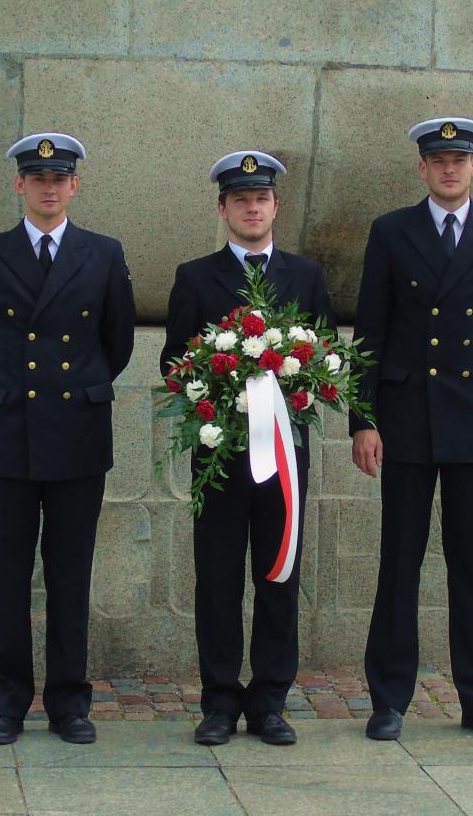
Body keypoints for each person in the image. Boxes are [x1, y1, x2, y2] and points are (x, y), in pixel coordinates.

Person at [350, 117, 473, 742]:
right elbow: (370, 334)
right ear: (422, 169)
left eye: (460, 159)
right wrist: (363, 419)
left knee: (471, 566)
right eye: (439, 160)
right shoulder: (392, 232)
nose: (450, 168)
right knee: (398, 562)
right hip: (405, 420)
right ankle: (389, 698)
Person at [0, 132, 136, 746]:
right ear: (20, 185)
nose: (49, 187)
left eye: (60, 179)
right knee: (6, 573)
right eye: (38, 178)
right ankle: (5, 700)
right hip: (7, 433)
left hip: (77, 433)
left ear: (75, 186)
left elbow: (118, 344)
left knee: (69, 573)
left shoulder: (103, 253)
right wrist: (6, 392)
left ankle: (68, 702)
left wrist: (77, 390)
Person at [160, 151, 334, 747]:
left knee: (278, 574)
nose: (252, 207)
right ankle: (218, 702)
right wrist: (219, 379)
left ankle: (270, 703)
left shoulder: (306, 275)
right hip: (219, 455)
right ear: (223, 208)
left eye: (261, 198)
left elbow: (326, 361)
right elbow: (174, 364)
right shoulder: (195, 276)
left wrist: (293, 382)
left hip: (283, 458)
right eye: (240, 200)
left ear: (276, 206)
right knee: (216, 579)